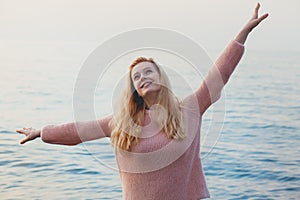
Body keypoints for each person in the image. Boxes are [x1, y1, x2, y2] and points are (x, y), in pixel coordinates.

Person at [17, 3, 268, 200]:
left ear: (161, 77)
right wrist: (42, 132)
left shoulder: (190, 109)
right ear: (134, 89)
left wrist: (243, 33)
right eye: (136, 77)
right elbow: (77, 131)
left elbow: (219, 75)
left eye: (148, 71)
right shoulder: (121, 123)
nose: (142, 77)